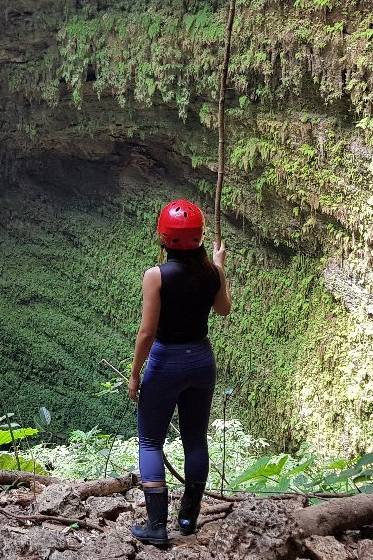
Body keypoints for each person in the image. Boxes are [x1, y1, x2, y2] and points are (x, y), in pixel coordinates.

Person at [128, 199, 231, 546]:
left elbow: (147, 332)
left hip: (165, 362)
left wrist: (135, 373)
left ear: (162, 237)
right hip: (202, 361)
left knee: (150, 441)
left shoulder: (155, 276)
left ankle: (156, 526)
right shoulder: (211, 273)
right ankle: (187, 519)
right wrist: (220, 268)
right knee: (194, 440)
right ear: (200, 237)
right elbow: (223, 310)